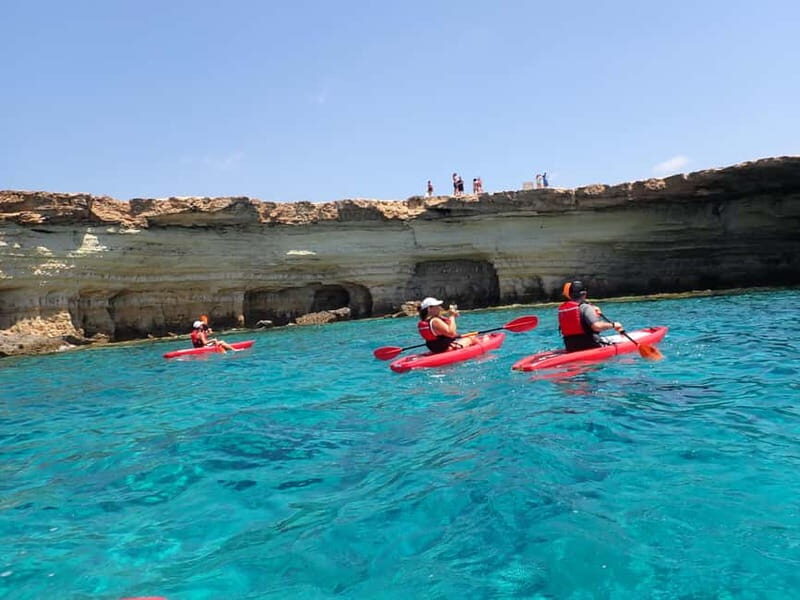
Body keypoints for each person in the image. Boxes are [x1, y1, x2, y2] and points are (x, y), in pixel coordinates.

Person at [558, 280, 623, 352]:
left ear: (569, 295)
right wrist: (614, 325)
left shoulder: (562, 310)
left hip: (571, 347)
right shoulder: (585, 307)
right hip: (590, 345)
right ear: (584, 294)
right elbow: (596, 327)